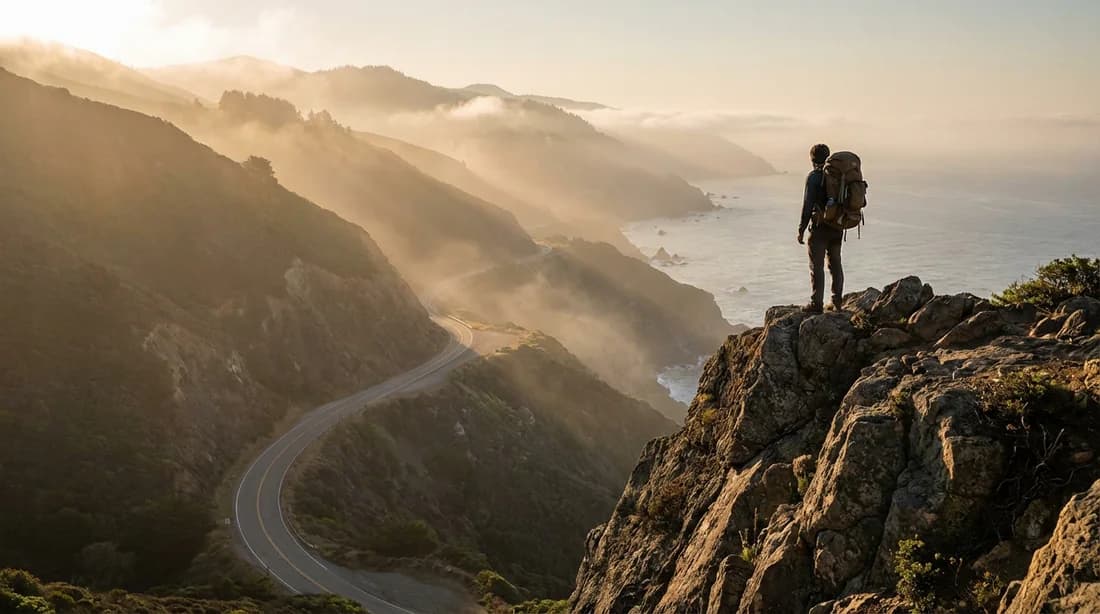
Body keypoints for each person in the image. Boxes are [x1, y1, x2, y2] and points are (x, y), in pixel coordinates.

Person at [797, 143, 844, 313]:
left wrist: (801, 229)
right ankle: (837, 302)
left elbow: (807, 205)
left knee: (816, 267)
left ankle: (816, 304)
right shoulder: (838, 176)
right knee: (836, 264)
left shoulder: (814, 177)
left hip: (819, 229)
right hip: (837, 227)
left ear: (812, 159)